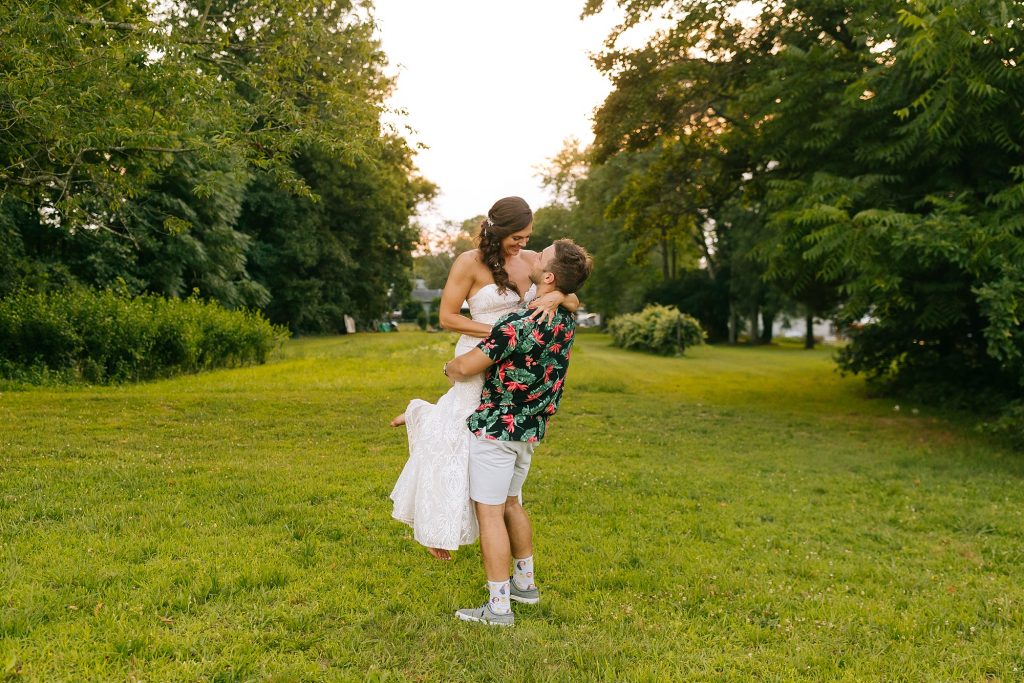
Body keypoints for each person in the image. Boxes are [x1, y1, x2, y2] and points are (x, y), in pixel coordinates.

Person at [389, 197, 579, 560]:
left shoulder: (534, 261)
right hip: (482, 351)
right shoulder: (468, 262)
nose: (523, 245)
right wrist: (499, 333)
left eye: (528, 238)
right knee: (457, 438)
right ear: (499, 230)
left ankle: (423, 418)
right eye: (518, 238)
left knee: (497, 443)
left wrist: (555, 298)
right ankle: (440, 526)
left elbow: (572, 296)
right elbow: (447, 317)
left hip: (516, 363)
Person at [444, 238, 593, 626]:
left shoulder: (517, 325)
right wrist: (562, 295)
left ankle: (498, 608)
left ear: (546, 275)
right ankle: (526, 586)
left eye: (540, 255)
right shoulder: (563, 319)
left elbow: (466, 367)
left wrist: (449, 368)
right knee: (512, 504)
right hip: (529, 432)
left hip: (496, 430)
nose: (533, 253)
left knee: (490, 515)